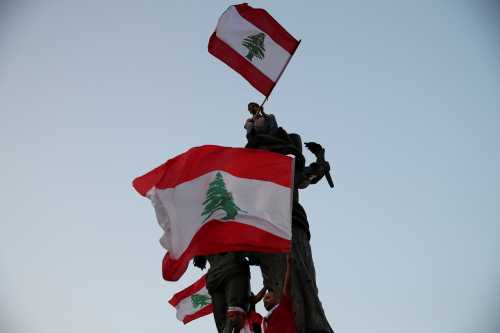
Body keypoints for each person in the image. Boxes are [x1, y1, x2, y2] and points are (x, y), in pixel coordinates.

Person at [243, 103, 334, 333]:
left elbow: (306, 177)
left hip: (289, 226)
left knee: (299, 284)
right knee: (280, 283)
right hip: (266, 232)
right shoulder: (253, 173)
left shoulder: (284, 166)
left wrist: (321, 160)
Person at [193, 253, 251, 333]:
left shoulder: (201, 241)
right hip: (233, 268)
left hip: (215, 276)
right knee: (235, 313)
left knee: (225, 321)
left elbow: (199, 261)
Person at [261, 254, 298, 333]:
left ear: (277, 298)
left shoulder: (283, 306)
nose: (265, 302)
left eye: (267, 298)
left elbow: (287, 286)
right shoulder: (265, 323)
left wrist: (289, 264)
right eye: (264, 302)